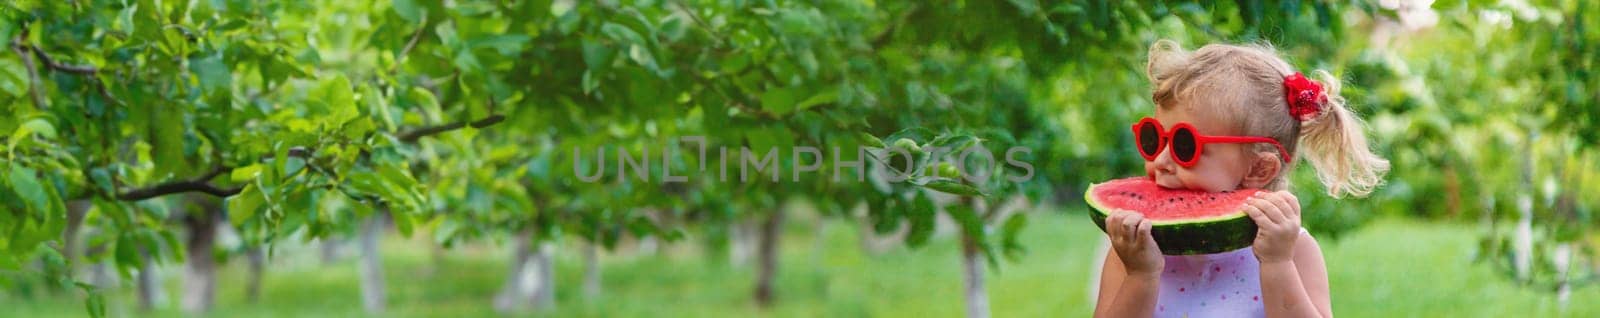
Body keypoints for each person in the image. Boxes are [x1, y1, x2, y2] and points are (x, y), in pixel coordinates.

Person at [1093, 40, 1391, 318]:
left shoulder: (1296, 249)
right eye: (1154, 138)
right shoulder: (1133, 249)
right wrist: (1141, 275)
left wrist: (1277, 263)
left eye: (1185, 146)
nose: (1160, 161)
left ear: (1258, 170)